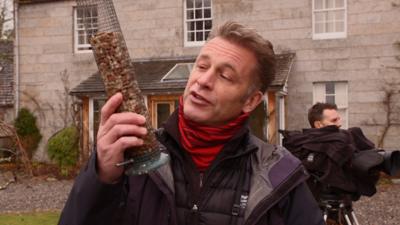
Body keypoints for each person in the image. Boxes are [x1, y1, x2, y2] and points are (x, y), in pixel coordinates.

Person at [58, 21, 324, 225]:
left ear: (251, 101)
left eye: (225, 76)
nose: (204, 81)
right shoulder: (131, 159)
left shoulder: (280, 176)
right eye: (201, 66)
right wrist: (101, 177)